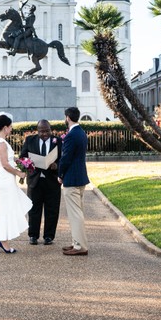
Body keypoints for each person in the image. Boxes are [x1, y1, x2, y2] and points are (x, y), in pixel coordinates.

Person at [0, 112, 33, 254]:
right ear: (5, 127)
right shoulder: (0, 143)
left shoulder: (1, 142)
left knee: (10, 208)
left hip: (7, 180)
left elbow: (9, 162)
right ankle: (3, 241)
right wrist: (19, 172)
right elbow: (5, 164)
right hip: (5, 180)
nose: (11, 129)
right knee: (6, 210)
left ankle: (3, 239)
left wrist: (21, 164)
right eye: (10, 126)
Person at [19, 119, 61, 245]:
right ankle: (33, 235)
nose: (44, 134)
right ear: (37, 131)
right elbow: (22, 156)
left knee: (52, 209)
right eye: (42, 131)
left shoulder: (58, 141)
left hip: (52, 181)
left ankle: (49, 236)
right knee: (34, 209)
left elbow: (63, 158)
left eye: (47, 131)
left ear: (50, 129)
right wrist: (28, 163)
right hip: (34, 180)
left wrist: (56, 165)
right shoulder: (30, 140)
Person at [57, 106, 89, 256]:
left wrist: (60, 174)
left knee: (75, 214)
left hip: (71, 178)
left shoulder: (71, 135)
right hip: (80, 177)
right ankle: (76, 242)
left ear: (68, 117)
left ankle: (80, 246)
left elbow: (66, 158)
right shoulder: (81, 132)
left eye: (65, 117)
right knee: (78, 212)